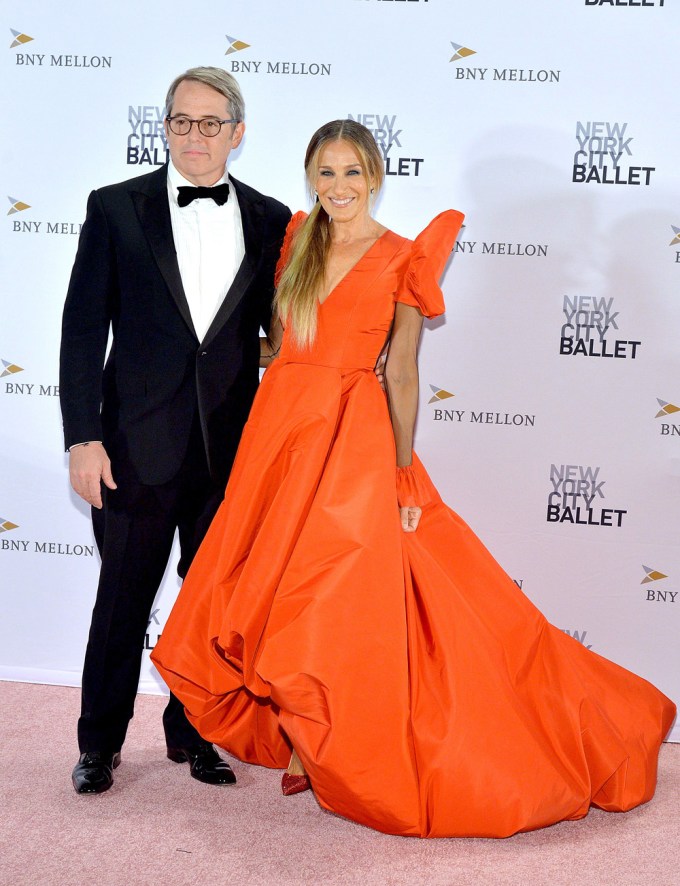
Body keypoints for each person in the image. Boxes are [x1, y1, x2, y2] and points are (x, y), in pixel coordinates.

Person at [151, 120, 675, 837]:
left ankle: (338, 739)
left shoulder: (403, 256)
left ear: (375, 177)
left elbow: (401, 372)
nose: (339, 187)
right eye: (327, 173)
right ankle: (310, 736)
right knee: (266, 585)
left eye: (353, 173)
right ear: (311, 177)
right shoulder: (297, 243)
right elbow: (281, 343)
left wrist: (400, 471)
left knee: (328, 593)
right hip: (278, 436)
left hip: (350, 440)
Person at [59, 66, 290, 795]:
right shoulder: (115, 209)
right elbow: (81, 330)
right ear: (165, 128)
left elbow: (282, 337)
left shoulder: (272, 218)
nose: (196, 135)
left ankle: (194, 737)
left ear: (238, 132)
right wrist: (82, 436)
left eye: (211, 122)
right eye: (182, 122)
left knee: (212, 607)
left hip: (229, 454)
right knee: (121, 602)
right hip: (131, 448)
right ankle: (98, 745)